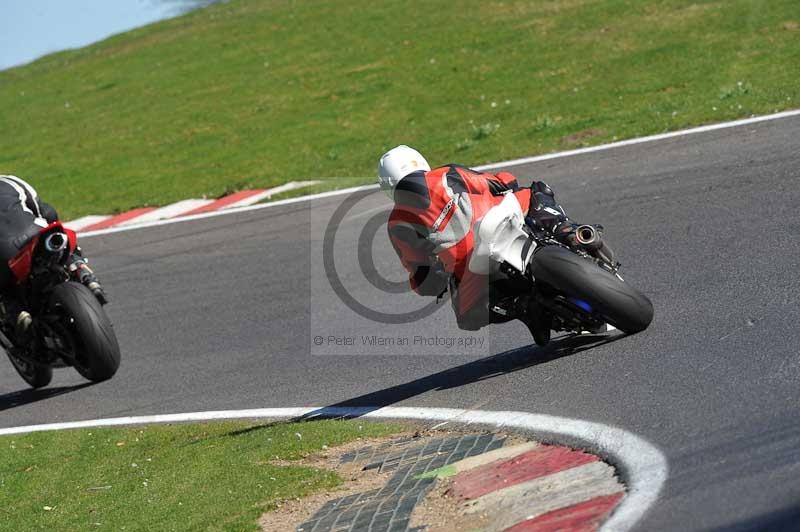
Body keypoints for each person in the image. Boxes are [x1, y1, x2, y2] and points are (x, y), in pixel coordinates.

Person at [379, 145, 589, 338]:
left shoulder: (397, 223)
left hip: (470, 262)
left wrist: (437, 277)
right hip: (501, 218)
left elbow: (422, 278)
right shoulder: (446, 173)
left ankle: (523, 306)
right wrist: (507, 184)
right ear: (421, 162)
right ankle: (566, 229)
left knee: (467, 316)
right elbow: (500, 181)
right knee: (537, 191)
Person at [0, 175, 107, 332]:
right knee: (57, 235)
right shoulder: (10, 181)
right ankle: (80, 268)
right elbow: (46, 211)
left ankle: (14, 310)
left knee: (5, 291)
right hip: (37, 235)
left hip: (5, 257)